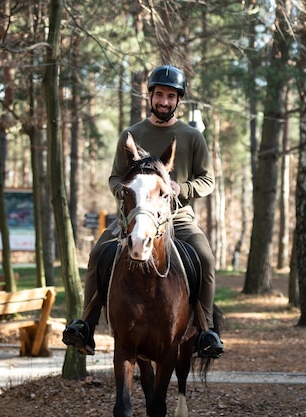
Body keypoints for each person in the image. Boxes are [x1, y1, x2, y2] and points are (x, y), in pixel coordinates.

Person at [62, 64, 224, 359]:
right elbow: (115, 177)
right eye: (159, 94)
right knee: (98, 253)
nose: (164, 101)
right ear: (150, 96)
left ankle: (206, 330)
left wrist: (180, 189)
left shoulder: (192, 137)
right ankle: (86, 324)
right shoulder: (131, 134)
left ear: (178, 100)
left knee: (205, 258)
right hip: (134, 216)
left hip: (178, 218)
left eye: (170, 96)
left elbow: (208, 181)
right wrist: (126, 195)